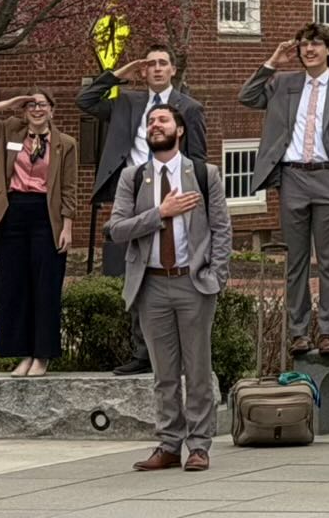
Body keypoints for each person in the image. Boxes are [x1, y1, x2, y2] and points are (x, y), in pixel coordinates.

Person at [108, 104, 232, 473]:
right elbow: (116, 229)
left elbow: (222, 230)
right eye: (150, 121)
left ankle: (199, 446)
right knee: (163, 373)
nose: (154, 125)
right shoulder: (133, 178)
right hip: (152, 286)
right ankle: (168, 444)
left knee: (197, 369)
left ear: (179, 130)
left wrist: (216, 275)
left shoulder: (204, 175)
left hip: (193, 283)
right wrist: (160, 213)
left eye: (162, 120)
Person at [77, 42, 207, 376]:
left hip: (174, 192)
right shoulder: (126, 103)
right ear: (143, 71)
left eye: (163, 63)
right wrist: (119, 74)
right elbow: (85, 100)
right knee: (136, 274)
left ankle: (173, 353)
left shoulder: (188, 108)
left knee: (169, 268)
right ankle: (142, 354)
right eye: (150, 64)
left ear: (173, 70)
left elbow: (200, 159)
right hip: (134, 192)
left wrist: (196, 201)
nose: (157, 68)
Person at [239, 22, 329, 357]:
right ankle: (298, 331)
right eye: (304, 45)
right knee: (295, 261)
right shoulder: (283, 83)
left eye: (316, 44)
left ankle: (328, 331)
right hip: (293, 178)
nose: (309, 50)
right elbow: (247, 96)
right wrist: (272, 62)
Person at [0, 90, 75, 377]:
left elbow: (68, 189)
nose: (37, 109)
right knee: (15, 287)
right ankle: (23, 354)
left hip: (46, 216)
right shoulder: (10, 131)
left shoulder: (65, 144)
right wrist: (10, 104)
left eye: (42, 105)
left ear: (53, 110)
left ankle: (43, 356)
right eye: (31, 105)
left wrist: (67, 226)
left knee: (44, 287)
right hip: (13, 213)